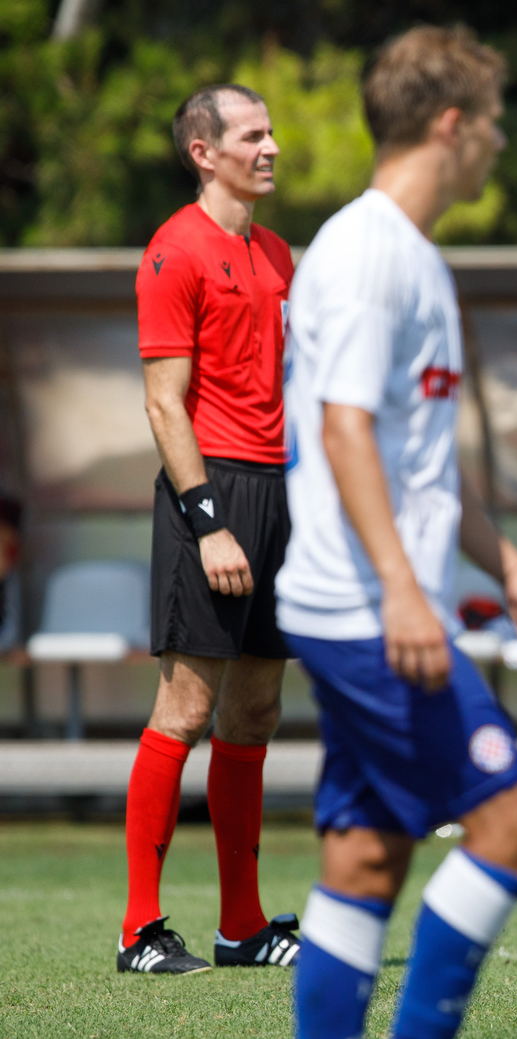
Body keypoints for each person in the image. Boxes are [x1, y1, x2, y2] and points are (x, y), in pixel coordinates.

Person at [275, 26, 517, 1039]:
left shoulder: (413, 257)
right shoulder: (366, 257)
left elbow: (419, 464)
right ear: (451, 124)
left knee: (363, 857)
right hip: (367, 614)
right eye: (491, 124)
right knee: (513, 825)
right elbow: (344, 427)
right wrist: (405, 593)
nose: (498, 145)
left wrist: (514, 570)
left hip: (371, 605)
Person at [122, 83, 299, 976]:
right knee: (185, 708)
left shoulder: (275, 254)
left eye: (271, 134)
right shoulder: (173, 250)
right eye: (253, 135)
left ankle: (243, 928)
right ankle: (140, 932)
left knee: (256, 710)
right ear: (205, 151)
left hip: (279, 493)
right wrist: (209, 525)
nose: (271, 147)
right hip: (212, 494)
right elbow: (164, 403)